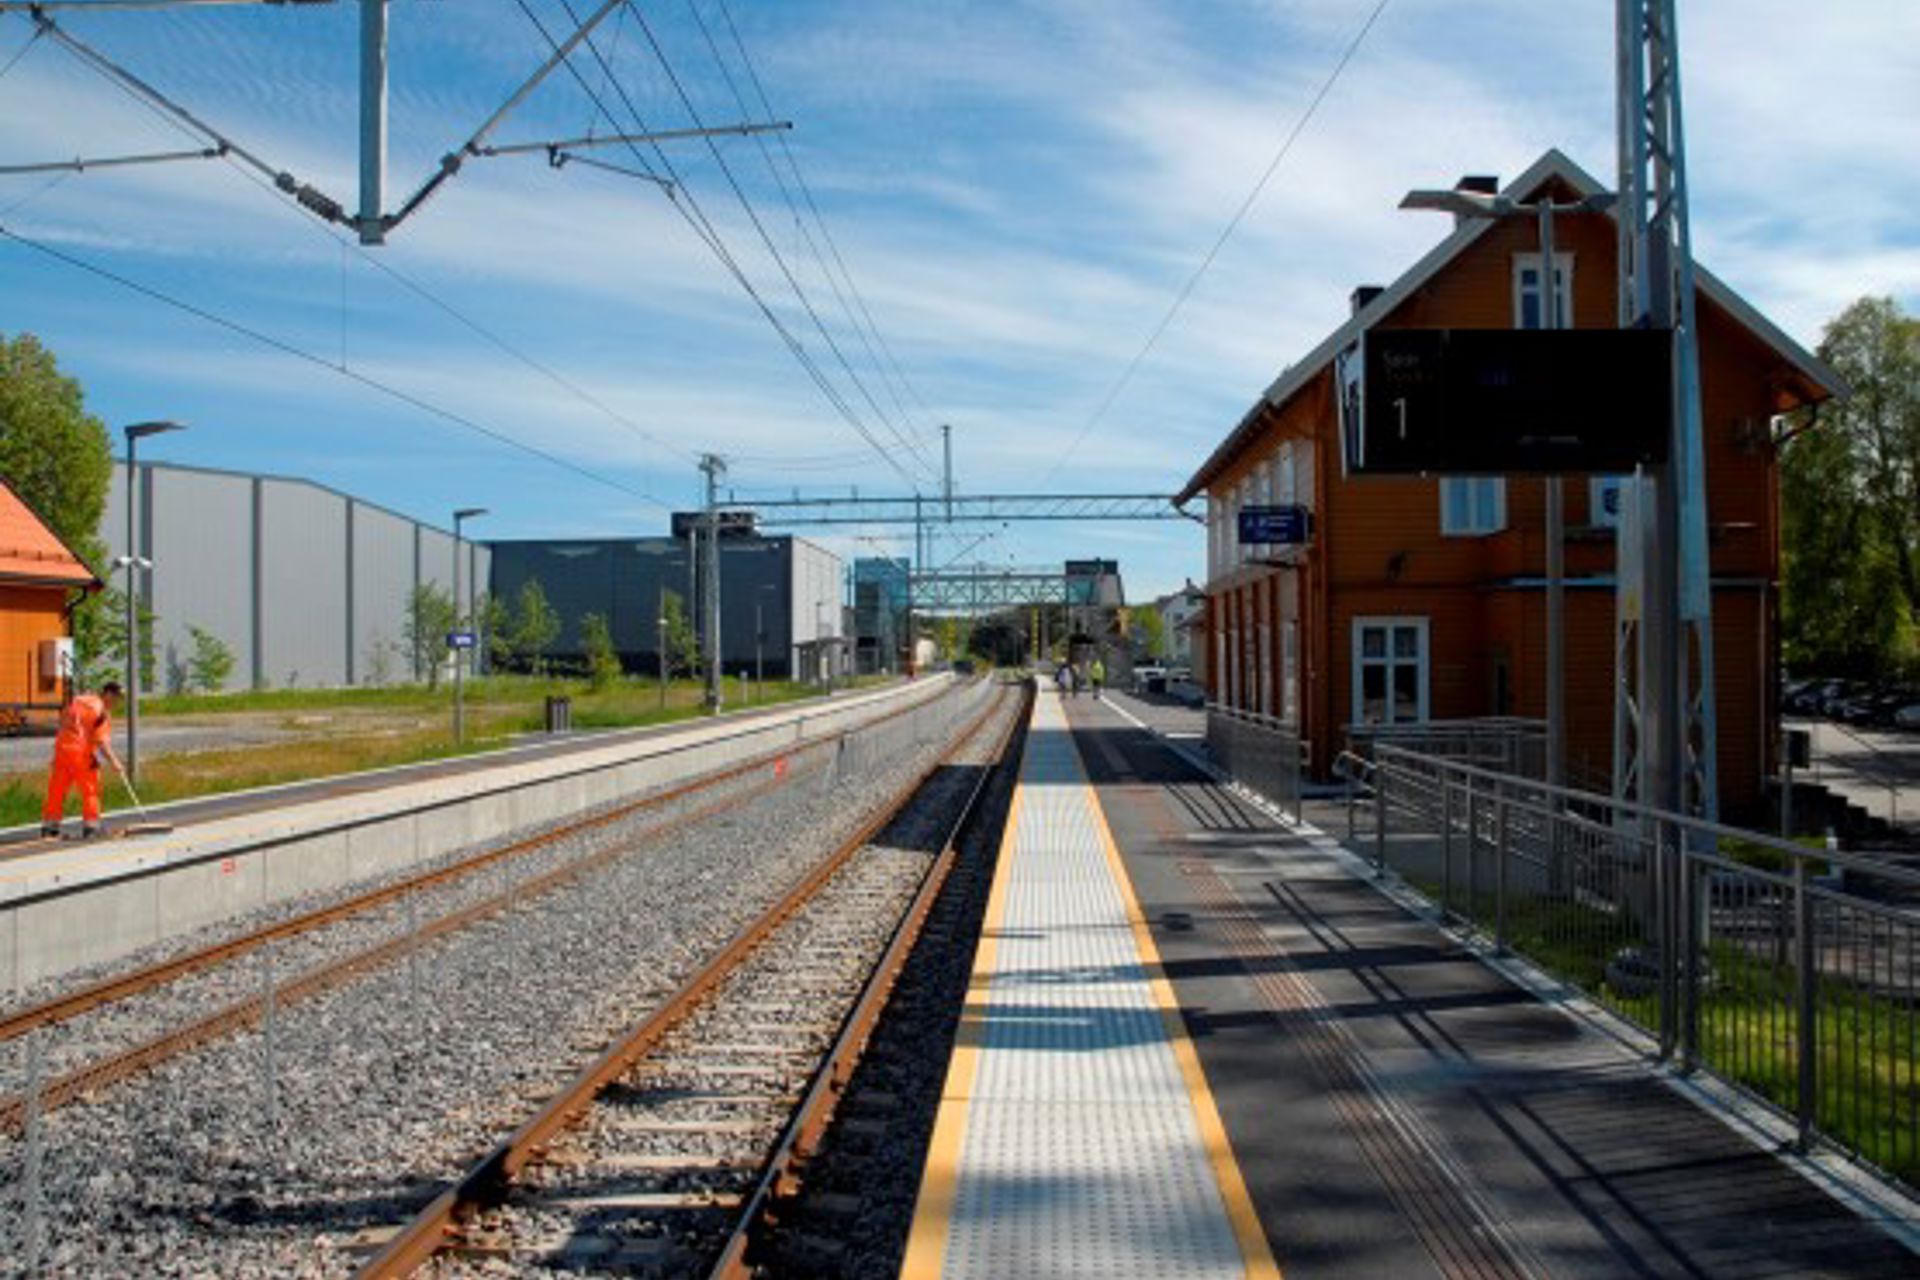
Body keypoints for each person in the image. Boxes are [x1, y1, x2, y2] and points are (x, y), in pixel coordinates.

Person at [43, 680, 124, 840]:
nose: (116, 702)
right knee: (90, 790)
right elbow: (102, 742)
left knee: (57, 789)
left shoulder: (79, 700)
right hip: (80, 754)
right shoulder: (101, 712)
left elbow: (64, 720)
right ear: (107, 694)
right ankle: (91, 826)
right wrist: (115, 762)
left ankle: (50, 827)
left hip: (62, 750)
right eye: (116, 698)